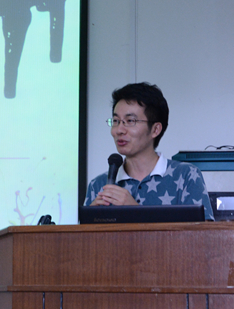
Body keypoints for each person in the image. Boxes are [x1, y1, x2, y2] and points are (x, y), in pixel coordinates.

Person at [84, 82, 214, 220]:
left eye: (130, 121)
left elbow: (204, 233)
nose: (119, 130)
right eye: (116, 121)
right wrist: (90, 223)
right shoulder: (98, 185)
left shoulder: (186, 176)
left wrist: (136, 212)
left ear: (155, 129)